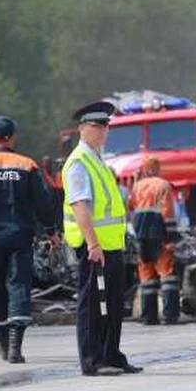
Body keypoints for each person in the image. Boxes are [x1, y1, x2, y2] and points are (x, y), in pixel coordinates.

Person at [0, 115, 58, 364]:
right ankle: (16, 347)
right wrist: (51, 230)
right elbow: (42, 202)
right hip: (20, 237)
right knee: (18, 286)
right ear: (13, 136)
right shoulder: (26, 165)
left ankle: (4, 342)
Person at [61, 101, 141, 376]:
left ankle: (112, 354)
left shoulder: (98, 160)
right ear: (82, 128)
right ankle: (93, 360)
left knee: (113, 305)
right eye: (97, 126)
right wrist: (93, 244)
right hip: (94, 247)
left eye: (106, 126)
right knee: (93, 305)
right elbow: (80, 205)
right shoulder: (79, 163)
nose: (103, 131)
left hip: (111, 246)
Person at [128, 157, 180, 325]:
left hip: (140, 237)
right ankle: (170, 315)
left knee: (146, 276)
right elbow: (168, 213)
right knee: (167, 275)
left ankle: (149, 317)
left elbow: (130, 207)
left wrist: (136, 181)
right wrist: (171, 238)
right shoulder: (163, 185)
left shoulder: (137, 187)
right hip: (159, 235)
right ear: (157, 169)